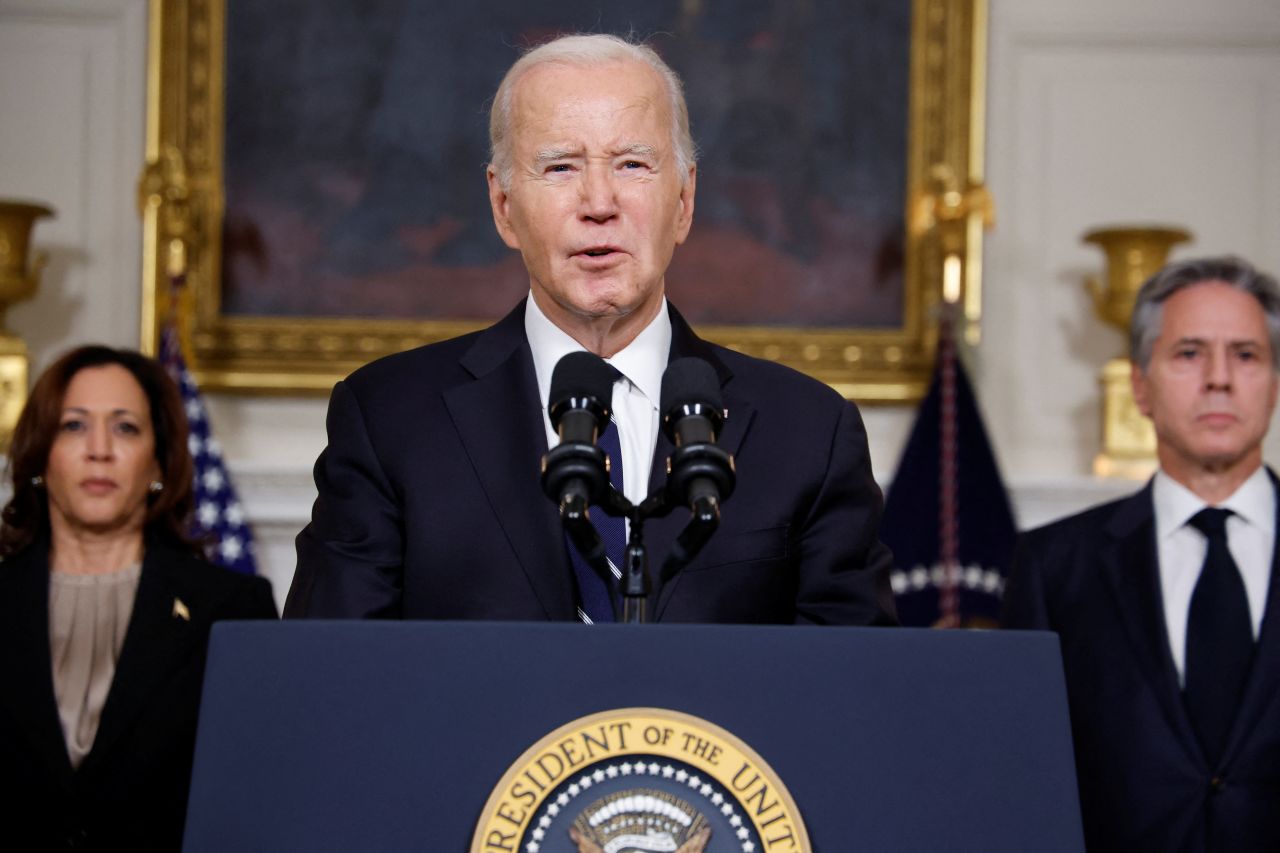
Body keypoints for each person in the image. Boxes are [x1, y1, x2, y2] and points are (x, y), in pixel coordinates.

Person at [286, 33, 894, 624]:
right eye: (560, 167)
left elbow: (852, 698)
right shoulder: (389, 420)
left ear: (683, 203)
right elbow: (328, 686)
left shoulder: (810, 431)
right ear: (504, 208)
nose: (598, 202)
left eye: (632, 164)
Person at [1003, 256, 1280, 852]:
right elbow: (1025, 776)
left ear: (1275, 381)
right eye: (1189, 353)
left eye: (1246, 354)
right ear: (1139, 385)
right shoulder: (1054, 567)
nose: (1219, 378)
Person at [0, 346, 278, 852]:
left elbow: (256, 790)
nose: (100, 449)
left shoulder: (230, 608)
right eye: (74, 426)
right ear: (41, 455)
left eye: (125, 427)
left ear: (159, 461)